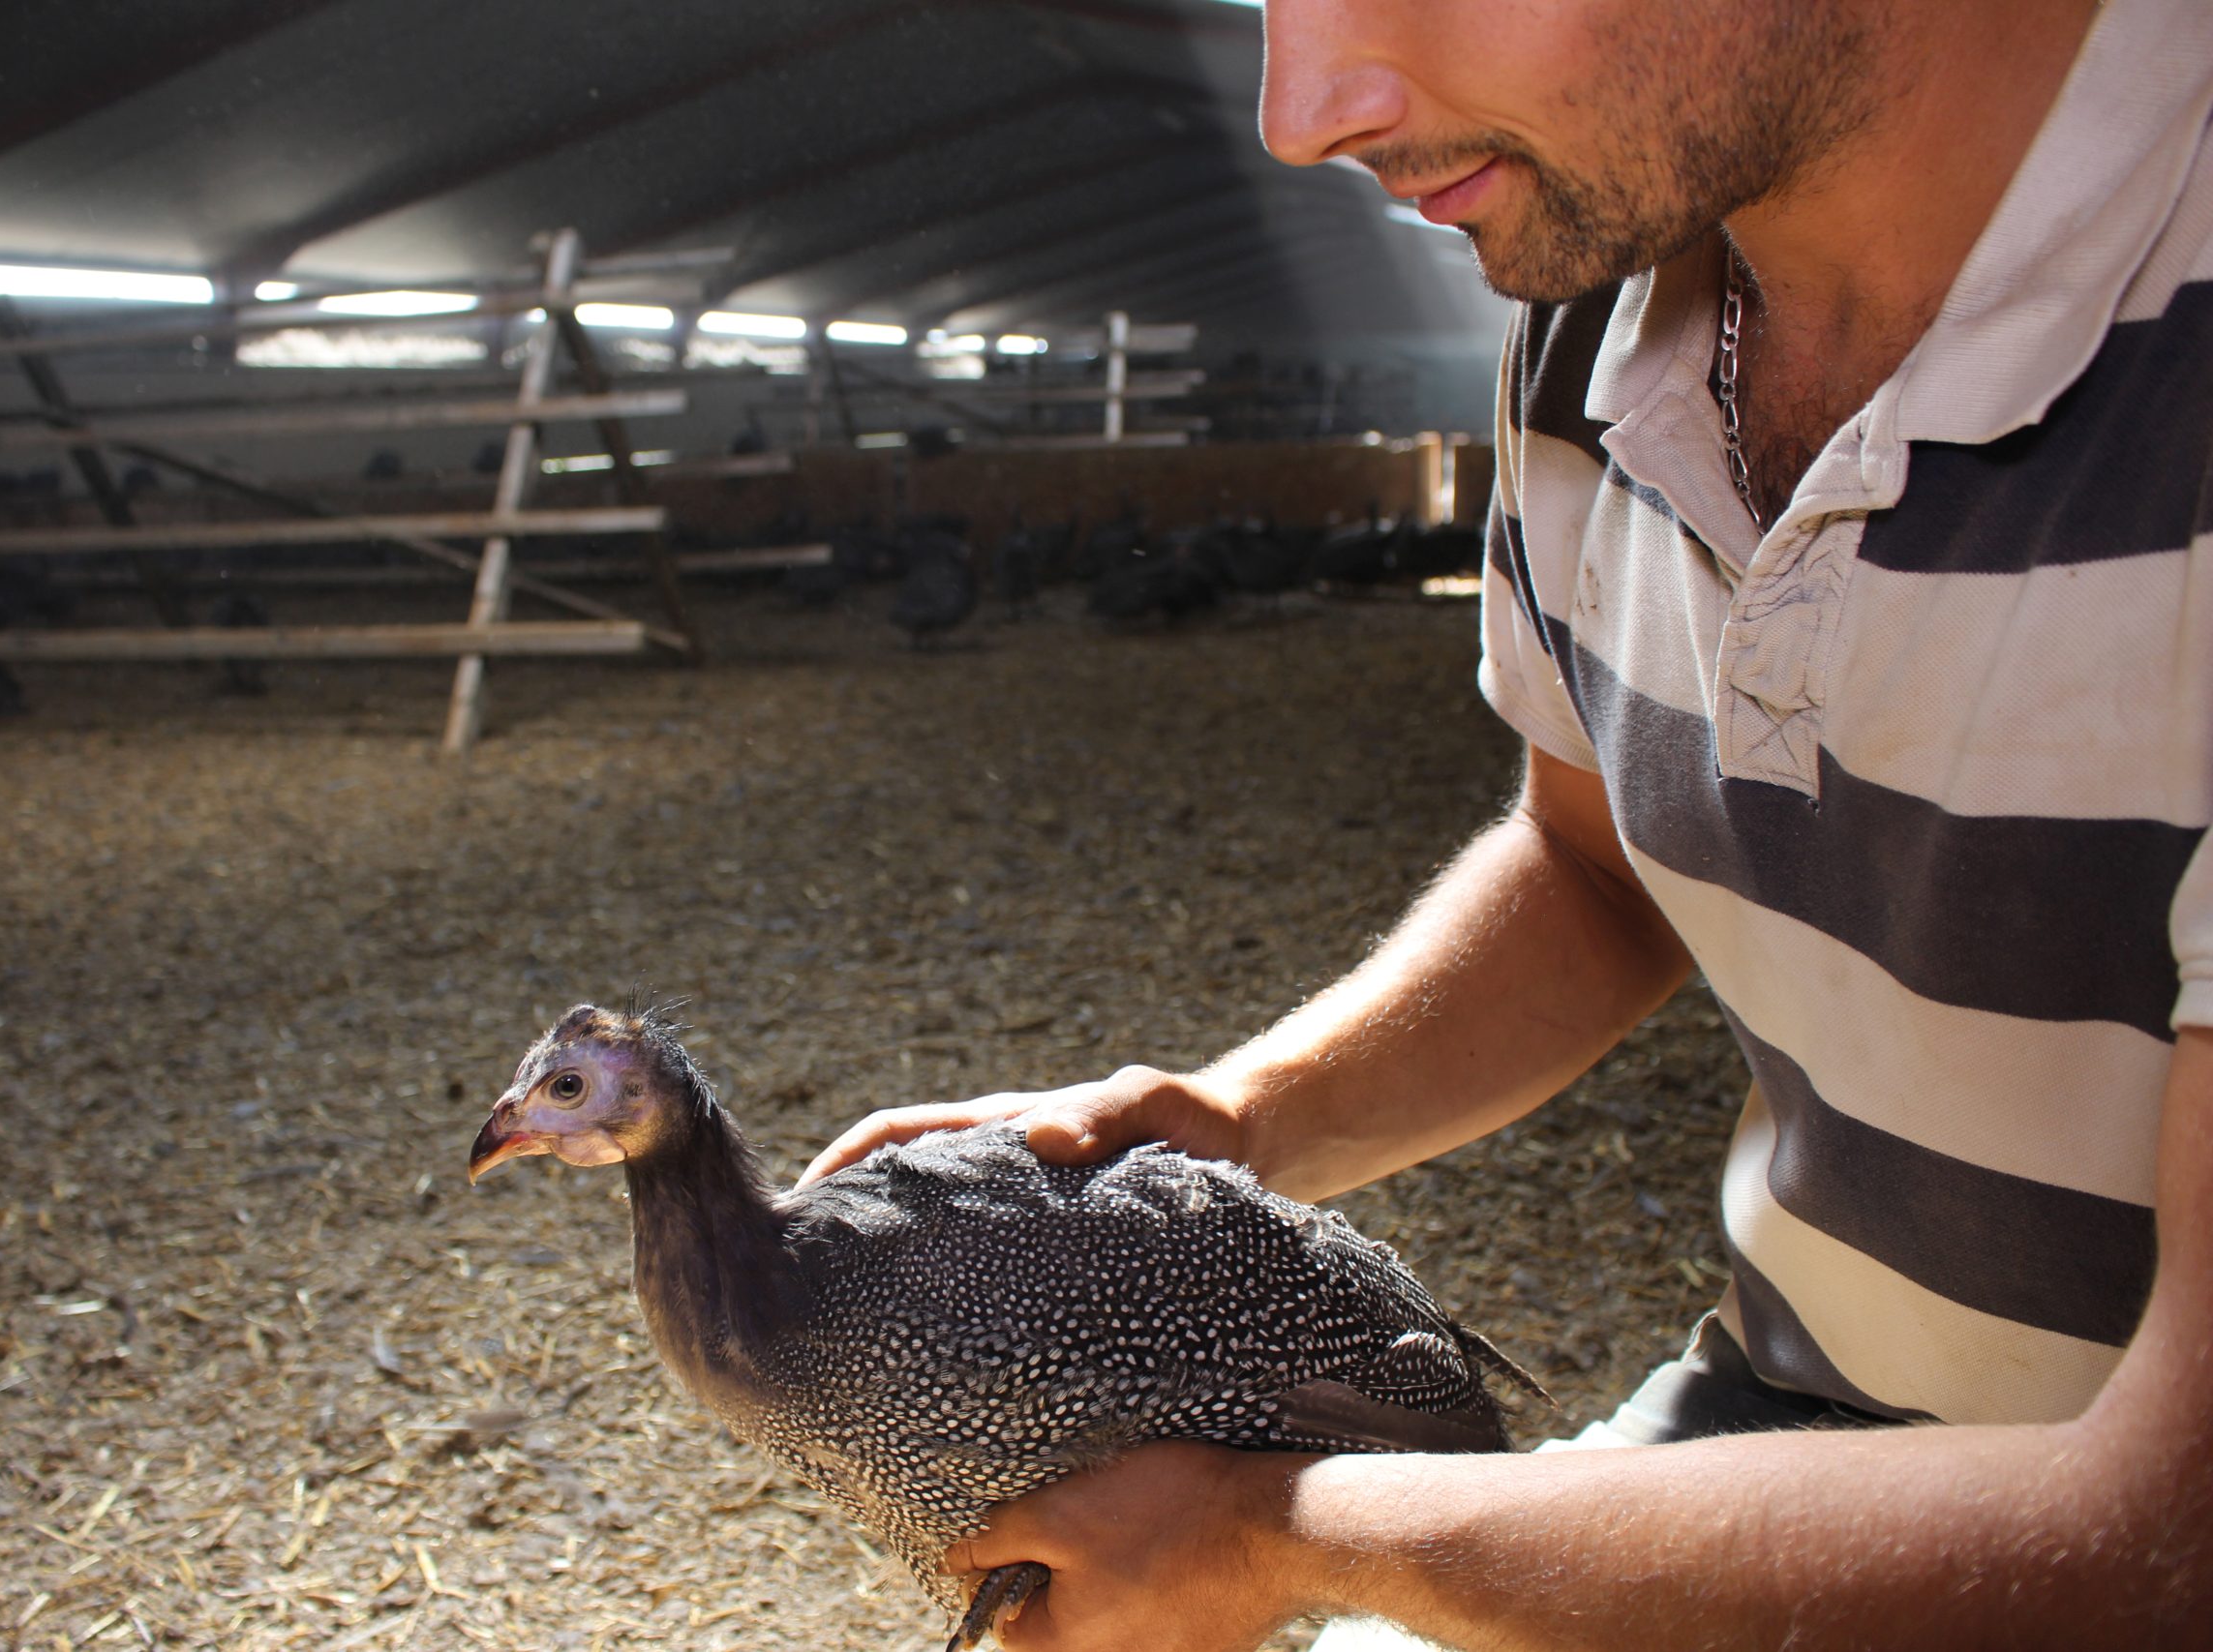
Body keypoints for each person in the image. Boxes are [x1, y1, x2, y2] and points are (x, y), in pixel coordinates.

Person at [799, 0, 2213, 1644]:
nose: (1300, 113)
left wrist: (1276, 1535)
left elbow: (2167, 1529)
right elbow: (1594, 867)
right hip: (1790, 1421)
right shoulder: (1601, 305)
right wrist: (1248, 1122)